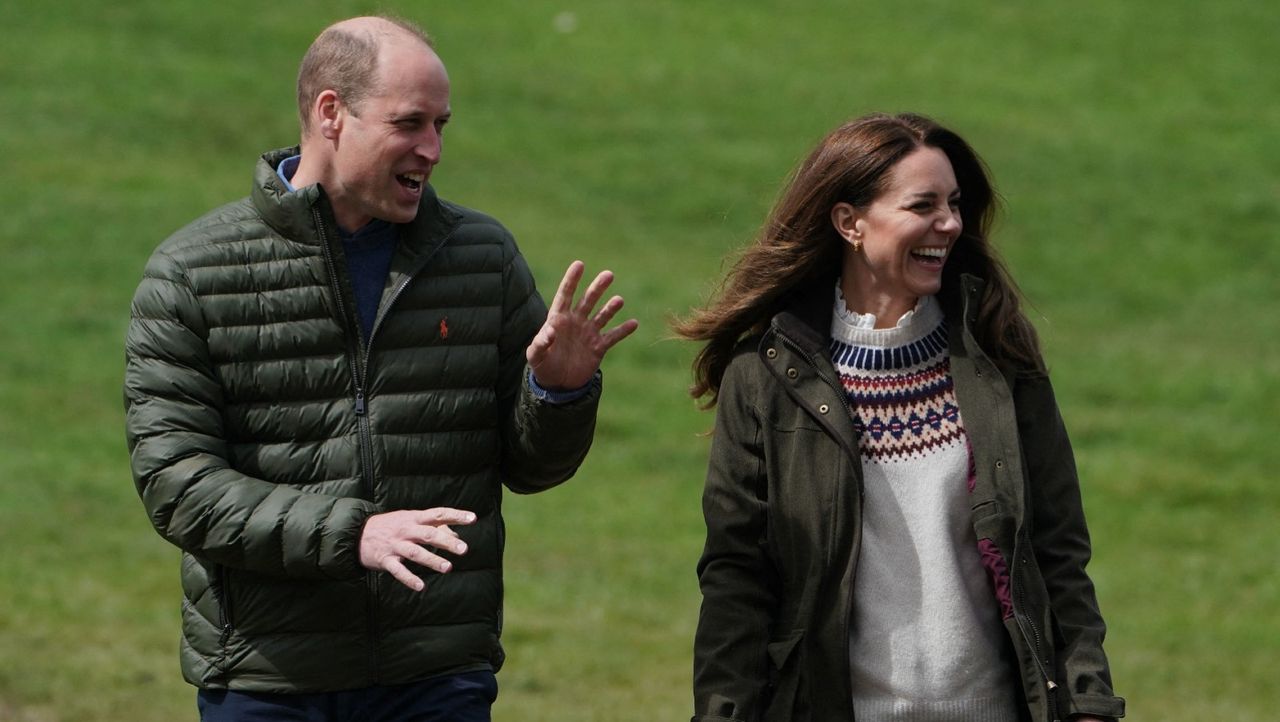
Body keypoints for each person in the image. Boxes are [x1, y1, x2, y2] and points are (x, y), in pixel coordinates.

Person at [124, 15, 637, 721]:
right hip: (268, 679)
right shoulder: (192, 274)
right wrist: (352, 533)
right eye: (410, 123)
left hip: (435, 673)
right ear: (331, 113)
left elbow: (532, 467)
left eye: (441, 126)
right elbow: (176, 485)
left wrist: (559, 391)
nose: (431, 149)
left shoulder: (481, 258)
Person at [676, 113, 1125, 722]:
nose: (950, 224)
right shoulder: (763, 376)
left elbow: (1056, 550)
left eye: (955, 203)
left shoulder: (1000, 358)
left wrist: (1089, 699)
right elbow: (737, 577)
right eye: (923, 205)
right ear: (849, 223)